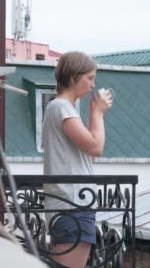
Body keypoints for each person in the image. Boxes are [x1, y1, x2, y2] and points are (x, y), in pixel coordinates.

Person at [42, 51, 112, 268]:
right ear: (73, 78)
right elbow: (95, 148)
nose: (92, 84)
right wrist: (98, 114)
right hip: (72, 205)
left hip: (71, 204)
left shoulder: (61, 108)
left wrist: (92, 116)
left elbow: (88, 155)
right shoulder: (61, 107)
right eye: (89, 78)